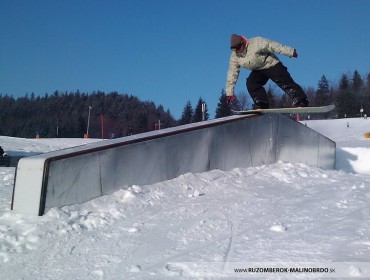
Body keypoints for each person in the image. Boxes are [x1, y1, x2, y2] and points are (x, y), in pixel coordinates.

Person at [225, 34, 309, 109]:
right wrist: (229, 92)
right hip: (258, 70)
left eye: (238, 48)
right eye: (234, 49)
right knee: (251, 83)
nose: (237, 51)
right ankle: (261, 103)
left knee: (283, 80)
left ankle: (300, 99)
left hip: (271, 64)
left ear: (242, 43)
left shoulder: (255, 42)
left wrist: (290, 51)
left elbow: (272, 45)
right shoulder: (234, 56)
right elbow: (232, 73)